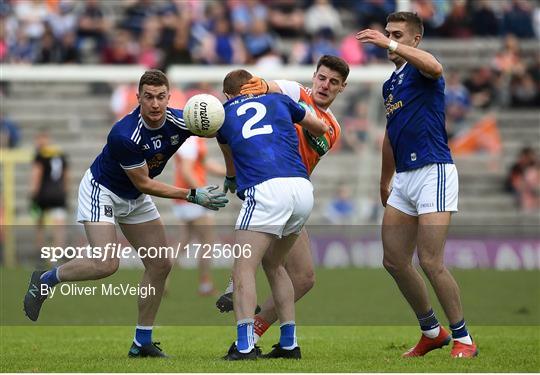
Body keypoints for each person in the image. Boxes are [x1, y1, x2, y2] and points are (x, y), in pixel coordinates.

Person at [23, 70, 228, 358]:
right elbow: (144, 182)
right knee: (106, 264)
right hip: (103, 190)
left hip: (134, 196)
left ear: (169, 97)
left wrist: (232, 174)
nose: (155, 104)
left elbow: (223, 130)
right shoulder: (124, 134)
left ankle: (141, 342)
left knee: (160, 265)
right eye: (148, 97)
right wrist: (193, 194)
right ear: (138, 98)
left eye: (160, 97)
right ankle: (46, 279)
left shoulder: (183, 120)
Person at [356, 12, 478, 358]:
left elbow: (437, 67)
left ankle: (464, 339)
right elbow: (390, 136)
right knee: (394, 260)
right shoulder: (390, 84)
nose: (388, 39)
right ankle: (431, 331)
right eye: (387, 32)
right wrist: (384, 179)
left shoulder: (423, 70)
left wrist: (388, 43)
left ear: (415, 39)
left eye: (397, 34)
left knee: (430, 260)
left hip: (433, 171)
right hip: (405, 179)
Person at [216, 55, 349, 347]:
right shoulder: (293, 91)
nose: (325, 85)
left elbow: (312, 133)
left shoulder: (332, 127)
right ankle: (272, 335)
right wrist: (259, 86)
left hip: (283, 190)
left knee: (301, 277)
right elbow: (262, 86)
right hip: (278, 188)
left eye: (334, 82)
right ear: (314, 76)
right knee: (278, 266)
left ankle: (251, 327)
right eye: (322, 78)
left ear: (342, 88)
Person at [172, 136, 226, 296]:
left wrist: (229, 172)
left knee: (183, 240)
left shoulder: (192, 139)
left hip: (184, 198)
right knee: (207, 241)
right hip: (193, 198)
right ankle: (205, 285)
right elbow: (187, 171)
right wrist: (202, 195)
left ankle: (160, 280)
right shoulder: (190, 140)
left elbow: (202, 162)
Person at [30, 129, 69, 265]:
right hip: (59, 194)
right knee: (59, 226)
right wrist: (65, 192)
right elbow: (65, 176)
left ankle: (40, 254)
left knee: (40, 224)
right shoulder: (60, 154)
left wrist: (33, 195)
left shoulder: (40, 155)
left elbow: (37, 174)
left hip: (43, 194)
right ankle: (57, 255)